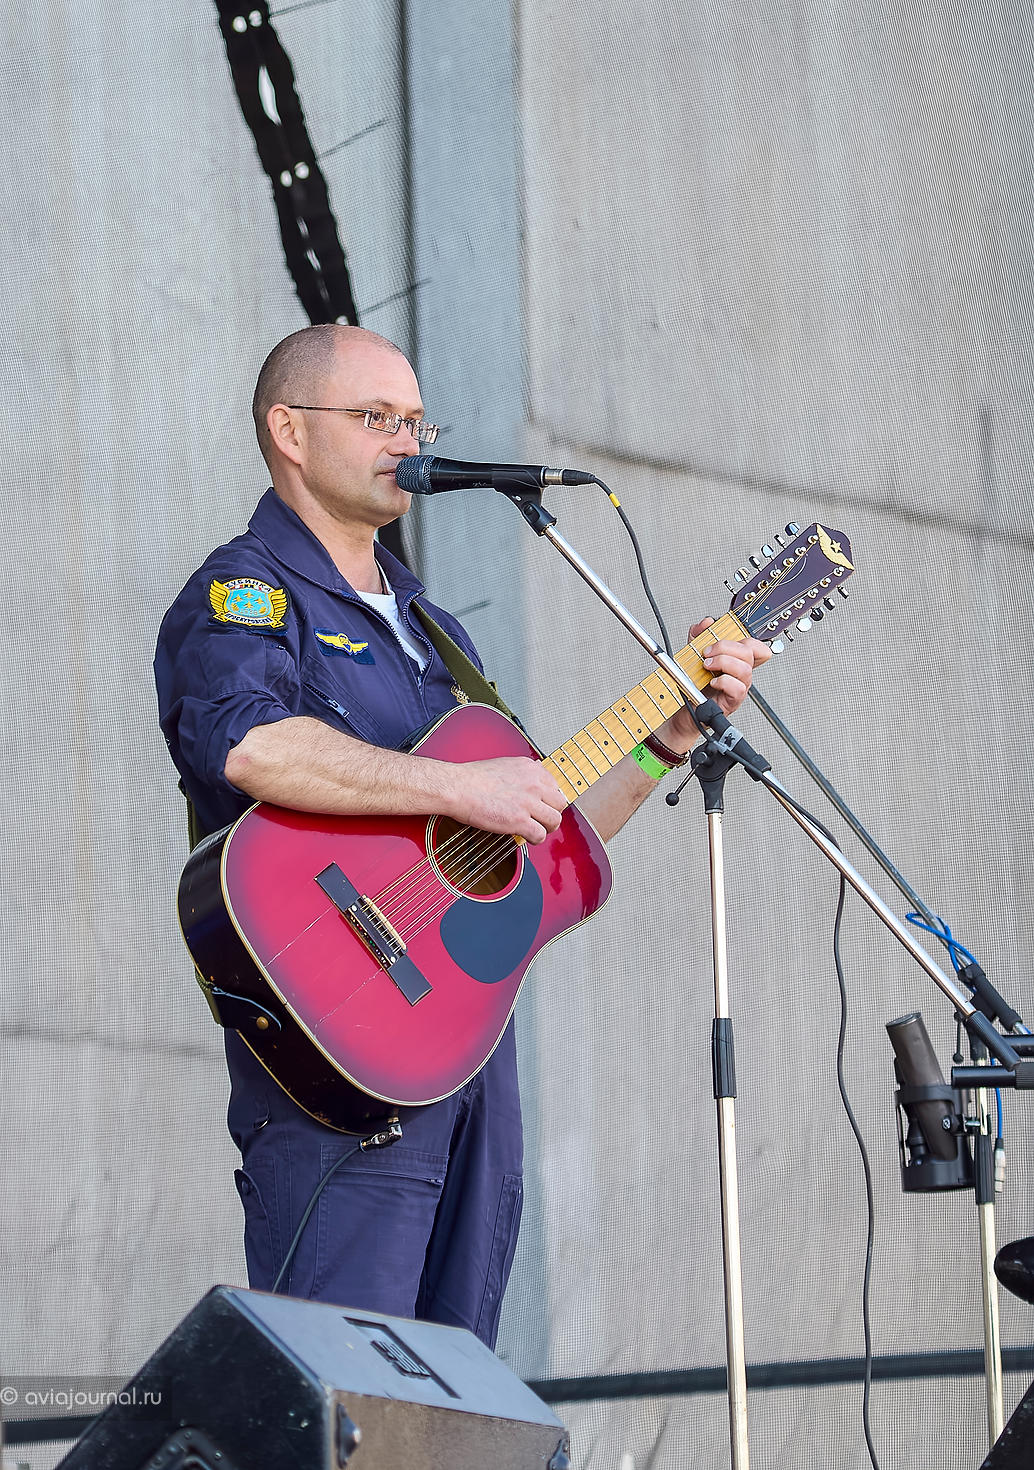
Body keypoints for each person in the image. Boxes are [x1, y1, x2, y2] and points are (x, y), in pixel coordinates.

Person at [154, 323, 770, 1347]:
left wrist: (663, 739)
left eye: (416, 421)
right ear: (290, 432)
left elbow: (536, 844)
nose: (407, 440)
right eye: (376, 417)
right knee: (347, 1387)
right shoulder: (245, 591)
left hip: (466, 1062)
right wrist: (456, 785)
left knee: (453, 1389)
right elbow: (251, 745)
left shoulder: (435, 630)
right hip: (338, 1068)